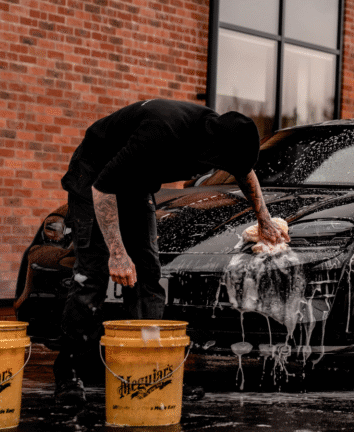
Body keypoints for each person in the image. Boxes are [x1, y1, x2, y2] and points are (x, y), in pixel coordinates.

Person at [54, 99, 289, 406]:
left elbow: (246, 174)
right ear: (213, 147)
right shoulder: (162, 131)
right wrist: (118, 253)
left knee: (148, 275)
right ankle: (69, 370)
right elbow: (104, 188)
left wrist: (265, 219)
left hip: (135, 183)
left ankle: (149, 369)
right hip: (94, 179)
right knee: (93, 275)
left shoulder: (225, 134)